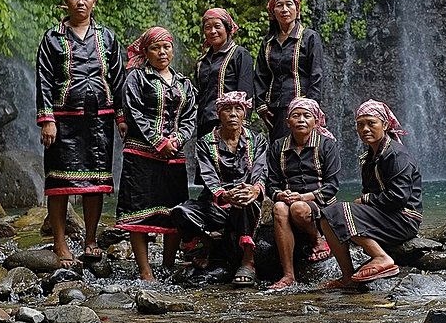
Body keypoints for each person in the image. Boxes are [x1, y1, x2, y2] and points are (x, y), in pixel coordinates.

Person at [36, 0, 126, 268]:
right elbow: (44, 80)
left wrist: (121, 118)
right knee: (59, 183)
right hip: (63, 119)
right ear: (67, 1)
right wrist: (47, 119)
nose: (81, 2)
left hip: (99, 118)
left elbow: (118, 78)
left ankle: (90, 239)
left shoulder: (107, 37)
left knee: (95, 182)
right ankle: (60, 243)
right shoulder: (52, 38)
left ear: (94, 2)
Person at [115, 26, 197, 281]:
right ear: (146, 52)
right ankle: (145, 270)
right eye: (155, 48)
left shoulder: (184, 83)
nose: (162, 53)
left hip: (174, 156)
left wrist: (178, 138)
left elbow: (190, 117)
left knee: (173, 210)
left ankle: (168, 265)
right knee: (139, 210)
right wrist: (158, 141)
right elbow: (133, 111)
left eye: (166, 47)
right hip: (141, 155)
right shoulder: (136, 79)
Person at [320, 100, 423, 287]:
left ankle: (382, 258)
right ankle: (348, 277)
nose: (365, 129)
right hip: (387, 216)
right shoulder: (369, 158)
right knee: (327, 216)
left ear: (385, 124)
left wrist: (366, 200)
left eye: (371, 123)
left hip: (404, 219)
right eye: (360, 125)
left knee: (339, 209)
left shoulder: (396, 155)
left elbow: (399, 198)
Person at [170, 91, 267, 286]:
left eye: (238, 109)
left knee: (245, 201)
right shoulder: (206, 142)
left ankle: (248, 261)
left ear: (245, 114)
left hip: (245, 202)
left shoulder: (257, 140)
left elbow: (261, 172)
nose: (233, 114)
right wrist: (224, 195)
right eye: (227, 110)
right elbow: (208, 177)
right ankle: (206, 243)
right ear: (218, 114)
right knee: (181, 212)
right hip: (217, 204)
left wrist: (254, 190)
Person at [266, 97, 340, 289]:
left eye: (307, 116)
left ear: (316, 121)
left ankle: (317, 238)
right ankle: (288, 275)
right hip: (290, 200)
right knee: (279, 208)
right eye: (295, 116)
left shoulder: (326, 145)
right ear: (287, 121)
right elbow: (271, 183)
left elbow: (332, 186)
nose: (301, 120)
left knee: (298, 208)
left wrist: (304, 197)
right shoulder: (278, 147)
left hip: (319, 203)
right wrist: (280, 194)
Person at [254, 0, 324, 142]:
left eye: (289, 4)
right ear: (273, 11)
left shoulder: (309, 38)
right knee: (279, 149)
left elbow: (316, 74)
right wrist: (261, 105)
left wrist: (310, 107)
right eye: (279, 5)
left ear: (297, 10)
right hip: (275, 109)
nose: (284, 10)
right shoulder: (268, 42)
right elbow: (260, 74)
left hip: (301, 108)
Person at [194, 8, 254, 138]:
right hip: (204, 122)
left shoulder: (240, 54)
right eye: (208, 28)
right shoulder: (202, 61)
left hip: (229, 123)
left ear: (227, 29)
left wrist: (242, 124)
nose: (213, 31)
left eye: (217, 26)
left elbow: (246, 91)